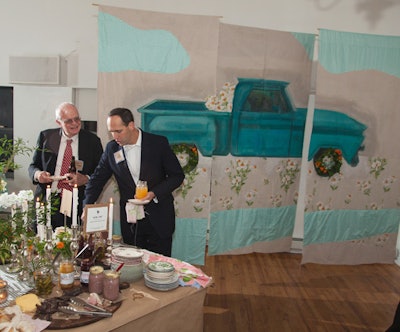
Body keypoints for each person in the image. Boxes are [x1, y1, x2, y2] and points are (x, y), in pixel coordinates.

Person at [82, 108, 184, 257]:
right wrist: (87, 205)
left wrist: (153, 193)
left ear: (131, 125)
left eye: (118, 131)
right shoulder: (112, 149)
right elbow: (97, 180)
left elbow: (177, 176)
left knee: (158, 266)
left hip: (159, 217)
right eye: (111, 132)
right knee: (132, 265)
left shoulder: (158, 143)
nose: (114, 136)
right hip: (131, 221)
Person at [28, 102, 103, 228]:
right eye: (69, 121)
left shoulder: (92, 141)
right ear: (59, 122)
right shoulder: (46, 137)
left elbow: (100, 172)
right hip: (48, 200)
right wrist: (38, 174)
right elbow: (33, 166)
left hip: (76, 202)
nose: (75, 123)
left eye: (77, 119)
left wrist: (86, 179)